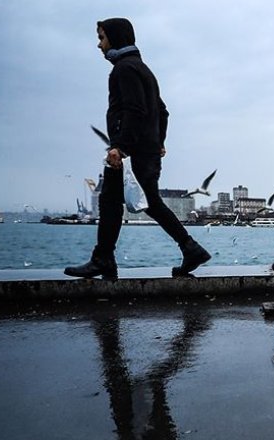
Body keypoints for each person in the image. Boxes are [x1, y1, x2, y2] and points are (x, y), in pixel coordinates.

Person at [65, 18, 210, 280]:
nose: (99, 45)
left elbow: (134, 110)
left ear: (116, 38)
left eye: (102, 38)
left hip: (131, 151)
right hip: (145, 149)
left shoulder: (124, 70)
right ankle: (188, 249)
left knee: (122, 201)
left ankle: (105, 259)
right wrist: (160, 140)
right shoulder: (142, 69)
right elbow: (163, 112)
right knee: (130, 201)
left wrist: (120, 147)